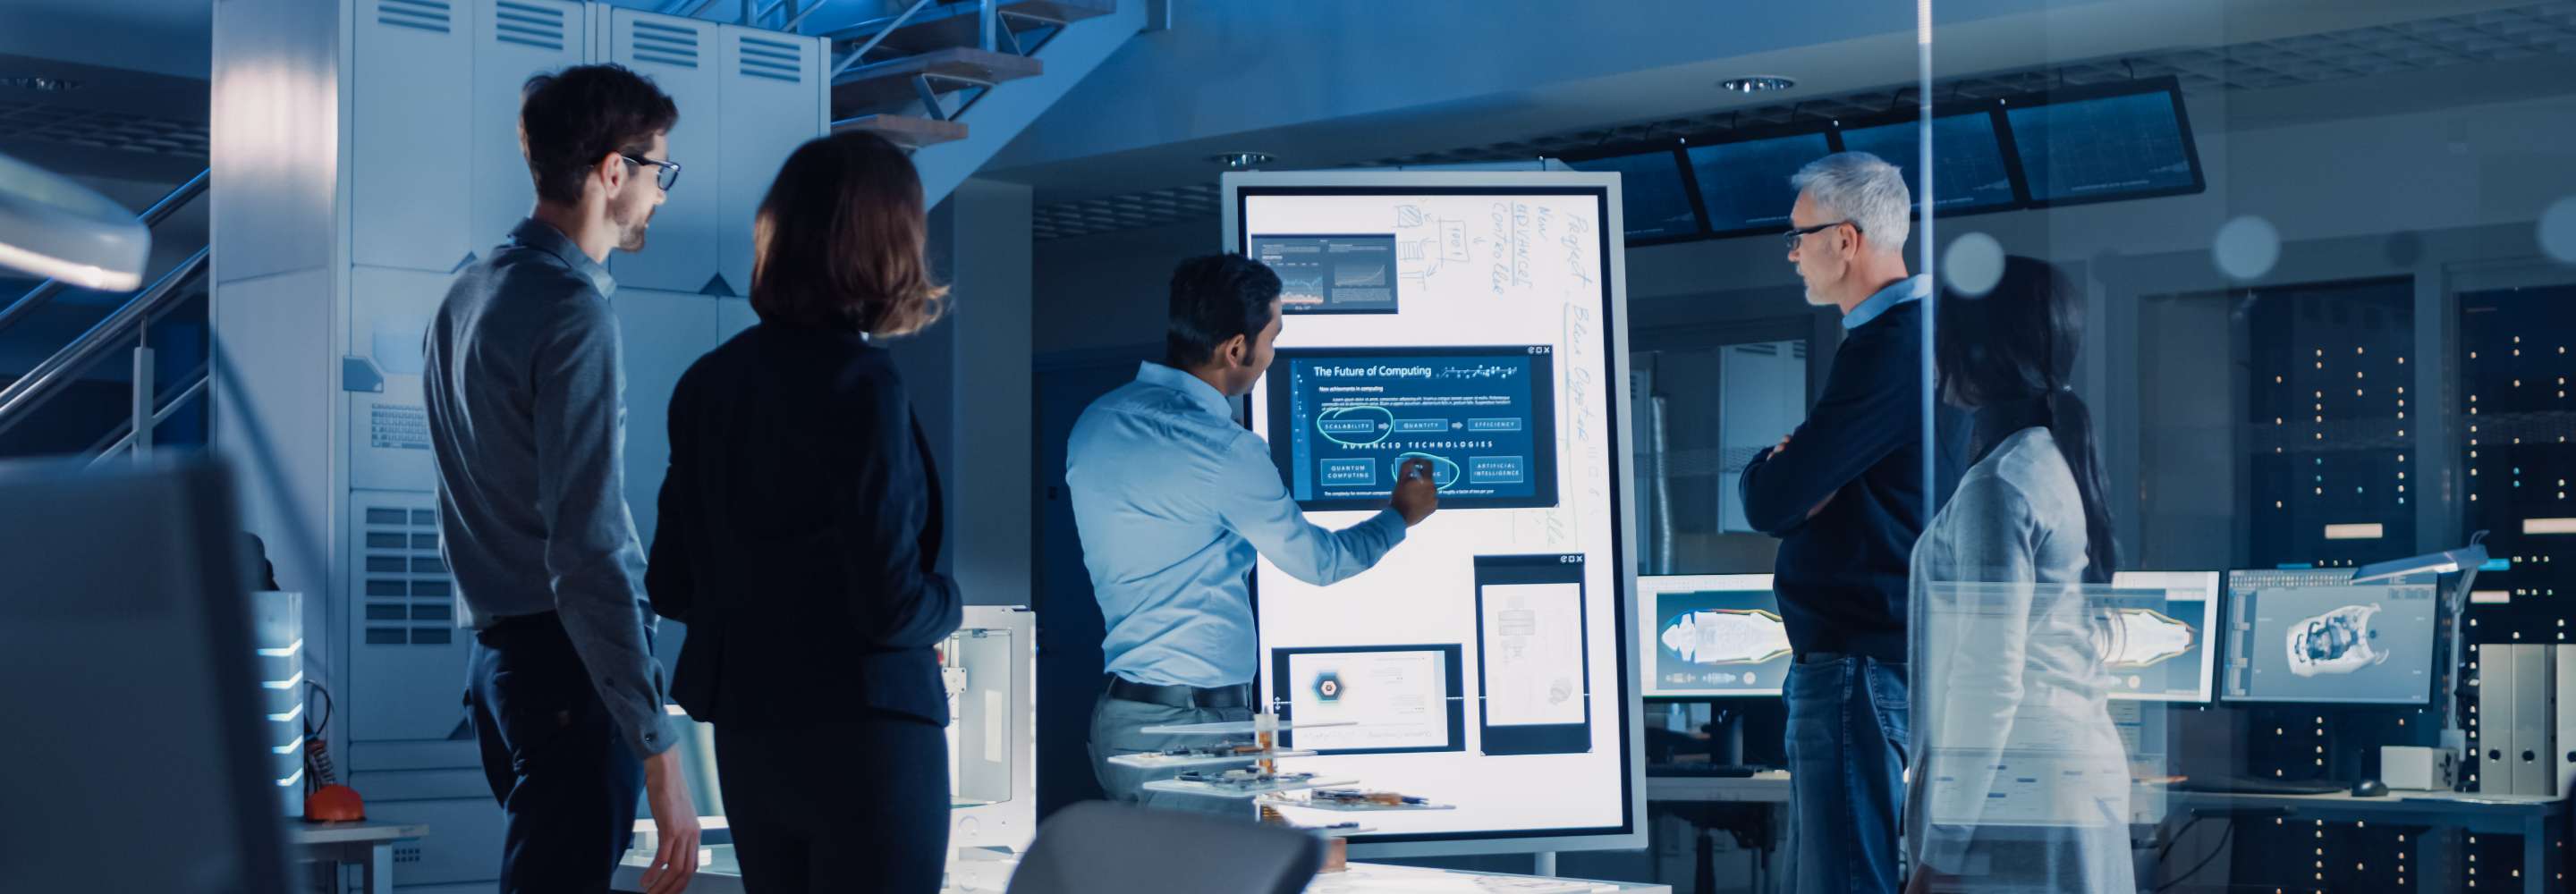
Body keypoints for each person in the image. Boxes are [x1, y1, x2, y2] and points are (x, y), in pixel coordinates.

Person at [644, 131, 962, 894]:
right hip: (870, 734)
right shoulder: (863, 382)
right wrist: (946, 603)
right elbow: (890, 605)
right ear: (886, 243)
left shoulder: (708, 383)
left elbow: (672, 586)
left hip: (754, 739)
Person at [422, 64, 698, 894]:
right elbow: (589, 546)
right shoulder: (573, 311)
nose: (660, 197)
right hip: (570, 675)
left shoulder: (467, 293)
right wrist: (658, 748)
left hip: (500, 671)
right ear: (614, 171)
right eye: (659, 172)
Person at [1066, 254, 1439, 811]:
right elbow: (1321, 563)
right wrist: (1400, 516)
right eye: (1274, 336)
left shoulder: (1096, 421)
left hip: (1123, 720)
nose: (1273, 354)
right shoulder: (1223, 450)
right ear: (1236, 350)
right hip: (1194, 729)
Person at [1738, 151, 1964, 894]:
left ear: (1847, 240)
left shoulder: (1891, 348)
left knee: (1842, 882)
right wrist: (1800, 477)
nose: (1793, 251)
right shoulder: (1911, 339)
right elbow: (1802, 491)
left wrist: (1776, 470)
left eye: (1800, 234)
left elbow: (1773, 501)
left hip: (1856, 665)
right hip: (1874, 658)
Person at [1902, 256, 2134, 894]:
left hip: (2018, 789)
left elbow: (1987, 677)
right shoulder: (2047, 460)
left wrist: (1940, 851)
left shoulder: (1998, 485)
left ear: (1979, 350)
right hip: (2065, 774)